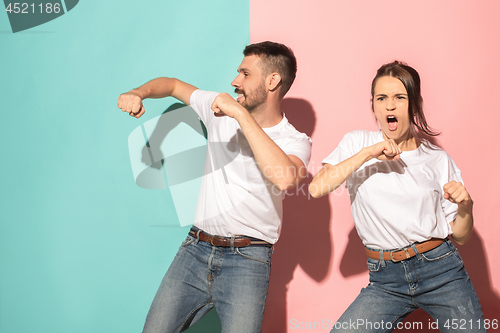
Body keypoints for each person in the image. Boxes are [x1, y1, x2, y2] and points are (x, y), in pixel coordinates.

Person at [117, 41, 311, 332]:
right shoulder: (218, 110)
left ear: (273, 81)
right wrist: (138, 92)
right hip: (194, 252)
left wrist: (241, 115)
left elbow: (284, 178)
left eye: (245, 74)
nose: (235, 81)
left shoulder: (294, 140)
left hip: (248, 261)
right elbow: (171, 85)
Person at [309, 61, 486, 332]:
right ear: (374, 106)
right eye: (382, 98)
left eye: (399, 98)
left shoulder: (437, 159)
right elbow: (316, 187)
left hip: (440, 271)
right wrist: (369, 153)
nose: (390, 106)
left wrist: (466, 206)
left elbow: (460, 236)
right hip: (385, 280)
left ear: (414, 104)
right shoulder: (357, 143)